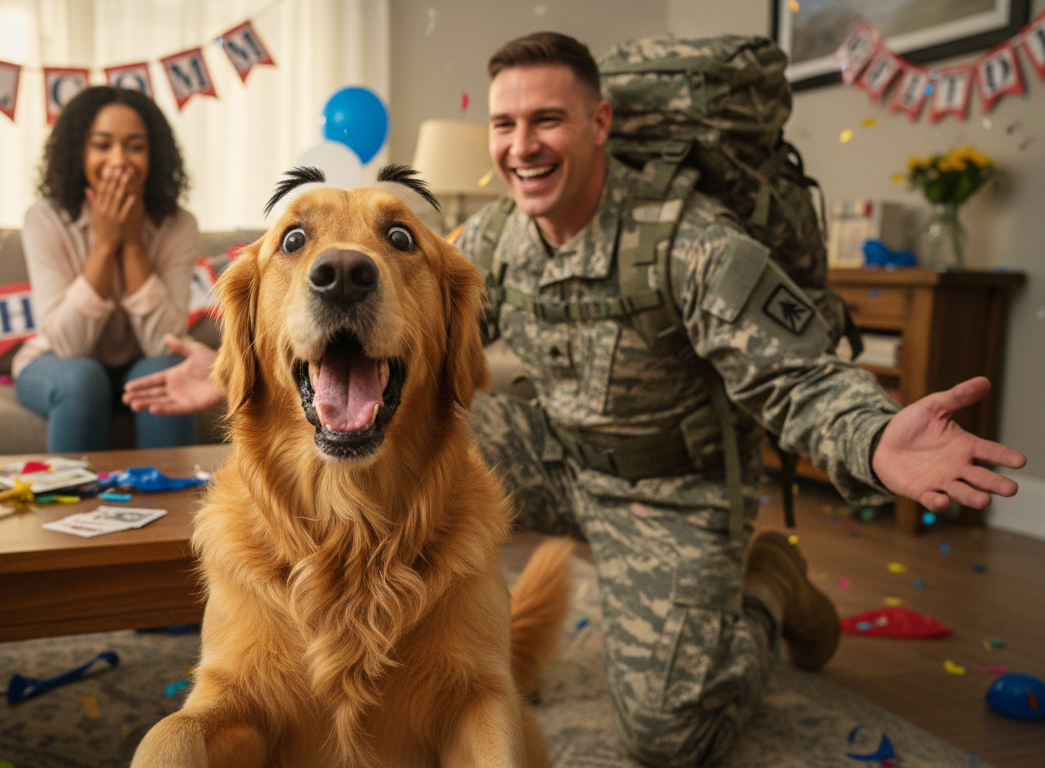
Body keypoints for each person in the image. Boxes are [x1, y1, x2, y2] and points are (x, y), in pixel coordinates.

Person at [123, 33, 1027, 767]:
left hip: (667, 485)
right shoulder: (499, 237)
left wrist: (874, 439)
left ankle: (764, 587)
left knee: (673, 734)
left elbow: (790, 372)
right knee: (436, 444)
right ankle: (445, 655)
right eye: (507, 123)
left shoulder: (693, 240)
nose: (523, 144)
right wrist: (233, 362)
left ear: (599, 123)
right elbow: (391, 327)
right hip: (557, 450)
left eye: (548, 119)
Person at [15, 85, 200, 452]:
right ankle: (72, 508)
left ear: (154, 156)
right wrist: (104, 244)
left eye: (134, 146)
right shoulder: (44, 220)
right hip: (59, 365)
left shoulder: (179, 225)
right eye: (102, 145)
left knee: (163, 373)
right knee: (83, 377)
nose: (120, 160)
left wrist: (131, 243)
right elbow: (68, 345)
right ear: (78, 154)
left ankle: (173, 506)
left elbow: (163, 342)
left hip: (142, 363)